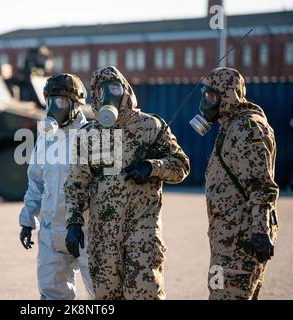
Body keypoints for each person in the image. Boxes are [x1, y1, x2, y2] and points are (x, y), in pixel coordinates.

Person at [64, 66, 190, 299]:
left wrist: (152, 167)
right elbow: (76, 182)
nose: (109, 95)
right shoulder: (89, 134)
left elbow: (182, 166)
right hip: (103, 235)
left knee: (145, 293)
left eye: (114, 87)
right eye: (101, 91)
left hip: (142, 232)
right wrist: (73, 222)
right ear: (95, 97)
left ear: (125, 90)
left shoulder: (151, 127)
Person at [190, 67, 279, 300]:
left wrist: (260, 232)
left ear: (228, 96)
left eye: (211, 96)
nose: (205, 101)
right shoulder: (229, 125)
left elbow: (261, 186)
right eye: (204, 94)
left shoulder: (247, 129)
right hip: (224, 241)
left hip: (241, 241)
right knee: (218, 292)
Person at [19, 73, 94, 300]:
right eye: (49, 102)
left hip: (88, 230)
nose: (53, 108)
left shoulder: (95, 136)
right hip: (51, 230)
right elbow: (36, 182)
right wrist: (27, 219)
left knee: (103, 294)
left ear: (75, 105)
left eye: (60, 102)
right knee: (52, 293)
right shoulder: (45, 138)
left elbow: (109, 189)